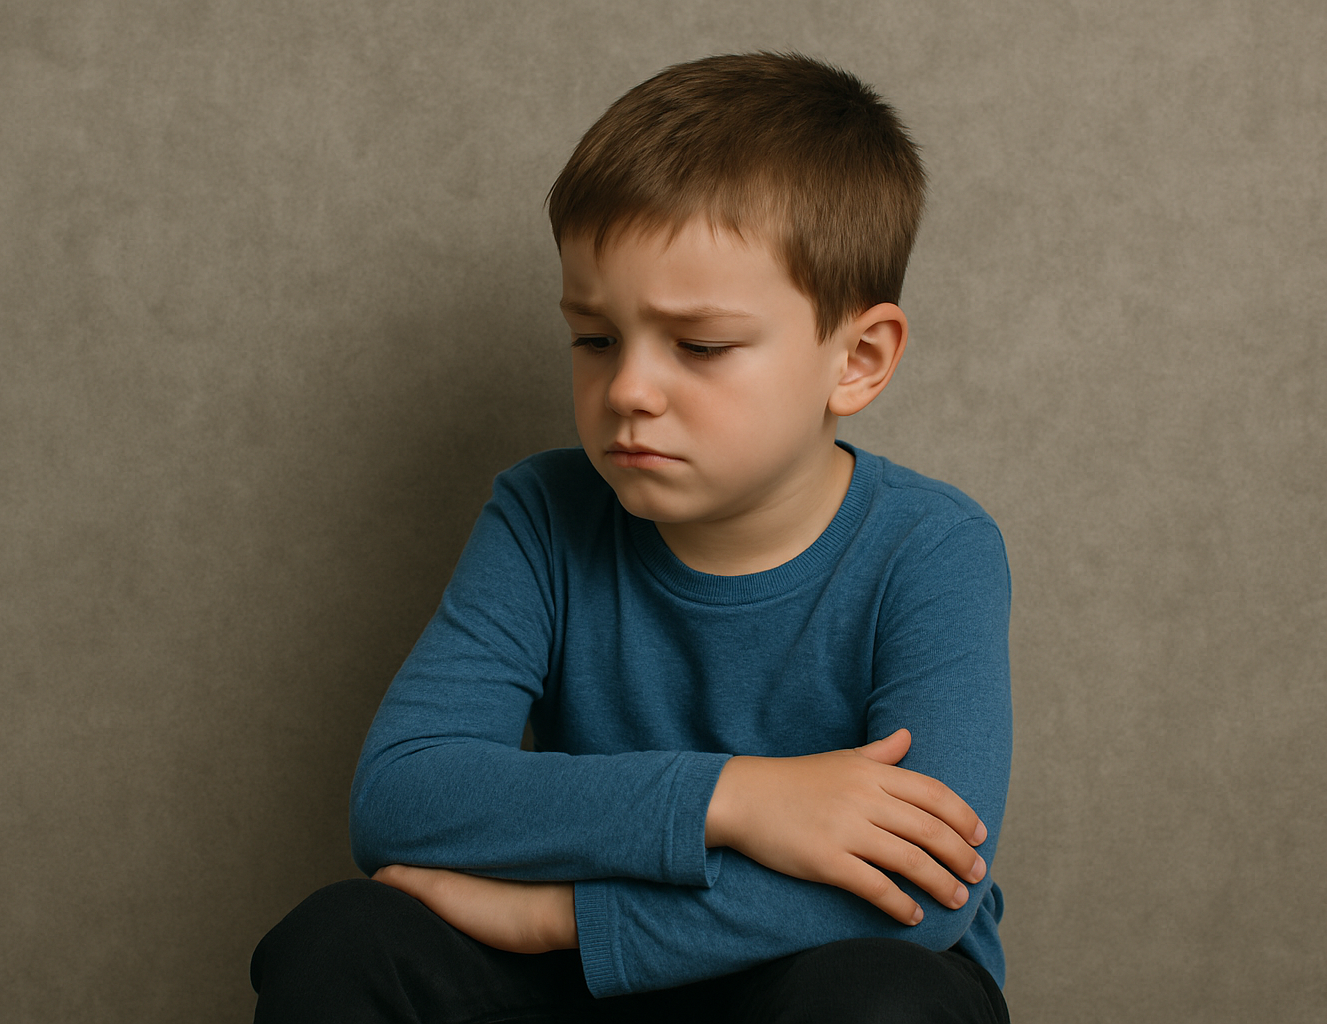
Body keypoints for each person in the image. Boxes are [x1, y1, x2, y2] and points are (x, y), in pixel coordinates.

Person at [251, 51, 1013, 1023]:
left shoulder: (934, 548)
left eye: (699, 346)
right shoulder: (543, 512)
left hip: (804, 971)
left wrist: (565, 917)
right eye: (595, 338)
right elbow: (402, 793)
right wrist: (733, 798)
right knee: (342, 940)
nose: (628, 390)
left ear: (857, 359)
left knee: (883, 1002)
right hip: (582, 995)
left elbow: (927, 890)